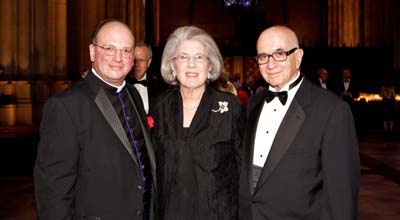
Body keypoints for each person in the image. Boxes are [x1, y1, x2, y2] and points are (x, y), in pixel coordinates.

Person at [34, 19, 157, 220]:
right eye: (109, 48)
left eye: (126, 50)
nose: (118, 57)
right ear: (92, 52)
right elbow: (53, 191)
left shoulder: (133, 95)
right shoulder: (66, 105)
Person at [238, 25, 360, 220]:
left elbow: (341, 195)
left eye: (279, 54)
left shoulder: (332, 110)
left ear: (299, 56)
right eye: (263, 56)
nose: (270, 64)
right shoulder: (253, 104)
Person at [151, 26, 245, 220]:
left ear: (210, 66)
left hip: (218, 214)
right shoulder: (160, 106)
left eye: (199, 57)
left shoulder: (229, 107)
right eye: (183, 57)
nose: (191, 65)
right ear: (172, 66)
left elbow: (243, 168)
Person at [126, 41, 166, 114]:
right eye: (134, 60)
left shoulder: (160, 87)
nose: (136, 65)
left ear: (149, 62)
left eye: (141, 60)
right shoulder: (120, 85)